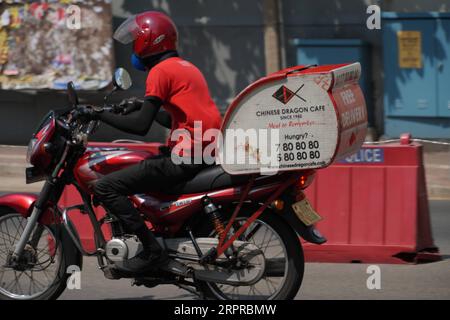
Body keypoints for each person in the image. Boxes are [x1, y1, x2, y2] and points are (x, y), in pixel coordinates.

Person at [83, 11, 222, 273]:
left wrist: (100, 113)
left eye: (137, 38)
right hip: (205, 151)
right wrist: (140, 104)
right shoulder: (186, 67)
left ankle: (152, 252)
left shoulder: (160, 72)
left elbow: (140, 126)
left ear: (150, 40)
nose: (134, 44)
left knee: (105, 187)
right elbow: (175, 121)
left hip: (186, 156)